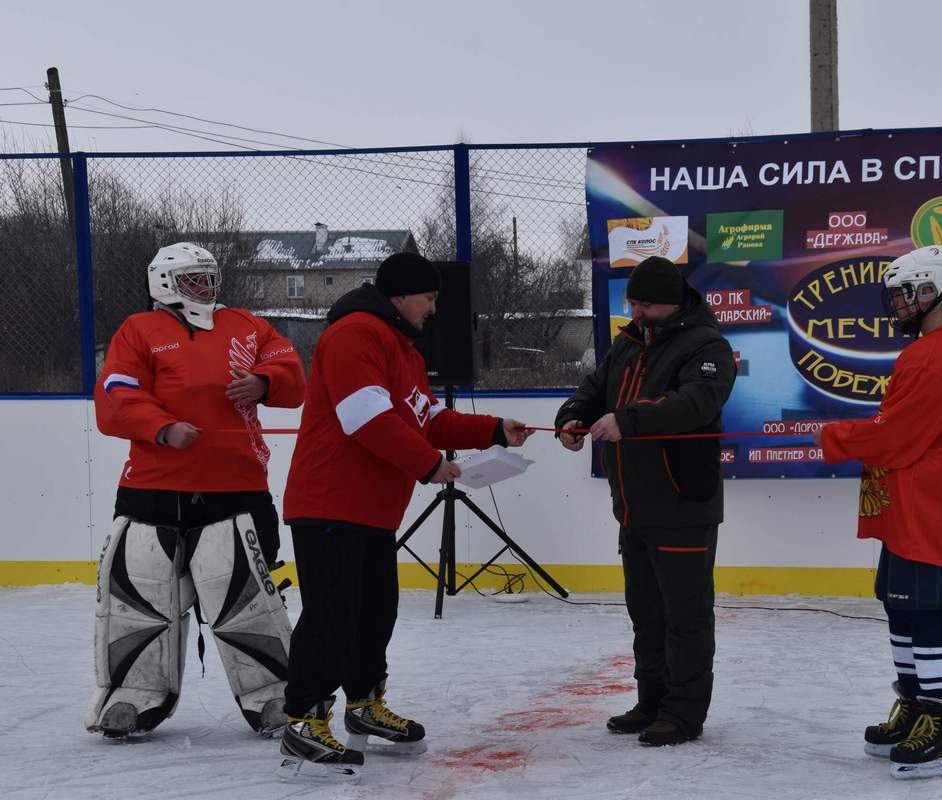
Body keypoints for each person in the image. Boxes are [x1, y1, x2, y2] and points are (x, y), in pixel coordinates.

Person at [277, 252, 533, 782]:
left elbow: (429, 419)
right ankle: (303, 718)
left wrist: (493, 429)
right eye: (429, 298)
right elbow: (365, 418)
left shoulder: (403, 349)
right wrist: (429, 464)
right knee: (332, 615)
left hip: (372, 510)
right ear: (400, 296)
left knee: (376, 613)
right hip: (330, 504)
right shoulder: (355, 335)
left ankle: (364, 704)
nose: (434, 309)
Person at [87, 242, 306, 739]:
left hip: (238, 488)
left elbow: (293, 376)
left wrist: (264, 382)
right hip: (152, 490)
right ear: (164, 283)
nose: (206, 287)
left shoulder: (247, 325)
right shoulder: (138, 330)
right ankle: (132, 695)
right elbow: (116, 394)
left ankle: (274, 694)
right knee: (139, 596)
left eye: (209, 277)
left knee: (248, 599)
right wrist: (162, 428)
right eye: (194, 278)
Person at [814, 245, 942, 780]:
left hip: (928, 506)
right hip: (909, 503)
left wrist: (836, 436)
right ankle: (915, 704)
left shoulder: (939, 354)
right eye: (894, 296)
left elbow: (899, 434)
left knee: (928, 610)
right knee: (900, 604)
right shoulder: (929, 350)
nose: (897, 305)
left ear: (937, 291)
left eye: (906, 294)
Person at [555, 255, 736, 747]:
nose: (637, 312)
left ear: (673, 303)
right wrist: (572, 418)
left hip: (682, 502)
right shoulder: (629, 342)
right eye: (632, 303)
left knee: (685, 616)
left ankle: (683, 713)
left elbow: (696, 403)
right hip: (634, 506)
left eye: (646, 305)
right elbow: (593, 390)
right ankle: (651, 701)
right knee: (647, 614)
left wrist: (627, 419)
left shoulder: (708, 346)